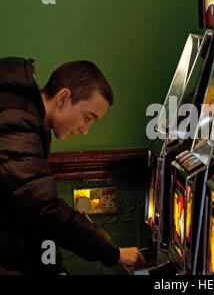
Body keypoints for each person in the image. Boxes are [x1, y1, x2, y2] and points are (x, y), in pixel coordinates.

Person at [0, 57, 145, 274]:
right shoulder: (17, 122)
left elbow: (30, 214)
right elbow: (45, 208)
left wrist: (53, 267)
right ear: (64, 98)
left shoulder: (28, 117)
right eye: (88, 117)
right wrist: (114, 253)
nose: (85, 129)